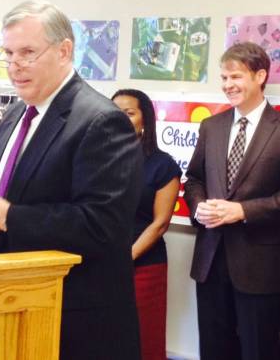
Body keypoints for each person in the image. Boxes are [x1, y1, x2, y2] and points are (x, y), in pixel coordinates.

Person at [0, 0, 143, 360]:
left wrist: (6, 217)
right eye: (9, 53)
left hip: (74, 322)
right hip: (9, 309)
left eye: (28, 53)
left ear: (64, 51)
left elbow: (103, 225)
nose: (15, 66)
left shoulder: (101, 121)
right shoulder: (15, 113)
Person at [183, 42, 280, 360]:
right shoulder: (211, 127)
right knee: (213, 348)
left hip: (261, 266)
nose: (228, 85)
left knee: (257, 350)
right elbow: (194, 180)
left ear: (260, 76)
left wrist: (242, 211)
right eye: (224, 78)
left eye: (236, 77)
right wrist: (199, 206)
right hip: (211, 260)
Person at [112, 89, 181, 360]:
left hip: (143, 265)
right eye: (115, 112)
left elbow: (160, 223)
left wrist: (124, 258)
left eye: (129, 113)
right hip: (100, 264)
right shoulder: (97, 158)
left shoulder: (162, 165)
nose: (121, 119)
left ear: (145, 120)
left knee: (143, 341)